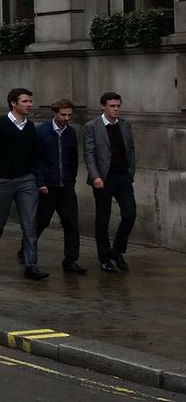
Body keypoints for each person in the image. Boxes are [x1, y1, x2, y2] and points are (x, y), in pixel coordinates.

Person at [0, 87, 45, 280]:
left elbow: (35, 154)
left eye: (30, 101)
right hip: (2, 181)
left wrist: (34, 176)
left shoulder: (31, 127)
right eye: (25, 101)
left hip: (26, 180)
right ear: (13, 103)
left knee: (30, 223)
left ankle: (31, 264)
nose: (29, 105)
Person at [82, 91, 136, 273]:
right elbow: (89, 154)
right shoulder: (92, 126)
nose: (116, 109)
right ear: (103, 107)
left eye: (118, 106)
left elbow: (131, 150)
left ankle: (117, 251)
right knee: (103, 219)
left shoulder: (125, 125)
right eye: (112, 106)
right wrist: (95, 176)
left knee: (130, 214)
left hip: (123, 177)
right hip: (103, 179)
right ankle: (104, 257)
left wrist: (130, 172)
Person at [33, 98, 85, 274]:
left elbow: (73, 159)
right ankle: (26, 252)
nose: (66, 118)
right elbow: (36, 160)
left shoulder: (70, 133)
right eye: (63, 115)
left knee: (71, 223)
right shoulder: (42, 132)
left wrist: (71, 179)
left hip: (66, 185)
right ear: (54, 113)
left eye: (69, 115)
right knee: (41, 222)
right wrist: (40, 182)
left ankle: (70, 259)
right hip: (48, 185)